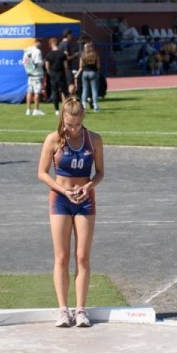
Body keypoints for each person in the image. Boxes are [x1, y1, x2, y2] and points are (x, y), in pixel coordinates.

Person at [37, 96, 104, 328]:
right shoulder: (54, 139)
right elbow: (42, 173)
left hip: (85, 201)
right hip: (60, 200)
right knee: (62, 256)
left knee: (82, 256)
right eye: (69, 124)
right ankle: (63, 309)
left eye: (77, 124)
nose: (73, 129)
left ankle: (81, 310)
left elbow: (100, 173)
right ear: (62, 119)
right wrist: (62, 191)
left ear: (83, 118)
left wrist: (89, 186)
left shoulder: (93, 139)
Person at [44, 36, 70, 115]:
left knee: (54, 92)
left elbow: (47, 66)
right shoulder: (62, 54)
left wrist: (49, 73)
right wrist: (66, 74)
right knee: (65, 92)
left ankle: (57, 110)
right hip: (61, 74)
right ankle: (67, 109)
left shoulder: (49, 54)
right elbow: (65, 66)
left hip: (53, 74)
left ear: (51, 44)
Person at [22, 36, 45, 116]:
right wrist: (43, 62)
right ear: (37, 42)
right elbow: (38, 63)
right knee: (37, 92)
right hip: (37, 74)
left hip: (30, 74)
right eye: (40, 43)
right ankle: (36, 109)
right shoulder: (38, 52)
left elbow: (25, 62)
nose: (41, 44)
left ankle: (28, 110)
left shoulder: (27, 50)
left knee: (29, 91)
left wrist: (28, 69)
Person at [78, 41, 101, 112]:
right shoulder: (95, 54)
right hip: (93, 72)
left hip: (85, 72)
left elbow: (80, 66)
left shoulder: (83, 55)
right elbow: (98, 66)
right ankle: (95, 106)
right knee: (94, 90)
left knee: (84, 90)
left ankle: (84, 106)